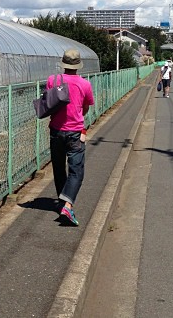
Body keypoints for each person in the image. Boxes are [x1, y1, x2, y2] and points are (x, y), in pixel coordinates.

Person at [46, 48, 95, 226]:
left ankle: (62, 203)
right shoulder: (84, 84)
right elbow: (87, 106)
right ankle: (67, 205)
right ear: (78, 65)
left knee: (59, 169)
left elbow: (50, 101)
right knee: (76, 171)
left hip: (56, 131)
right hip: (75, 132)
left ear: (63, 63)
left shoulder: (53, 80)